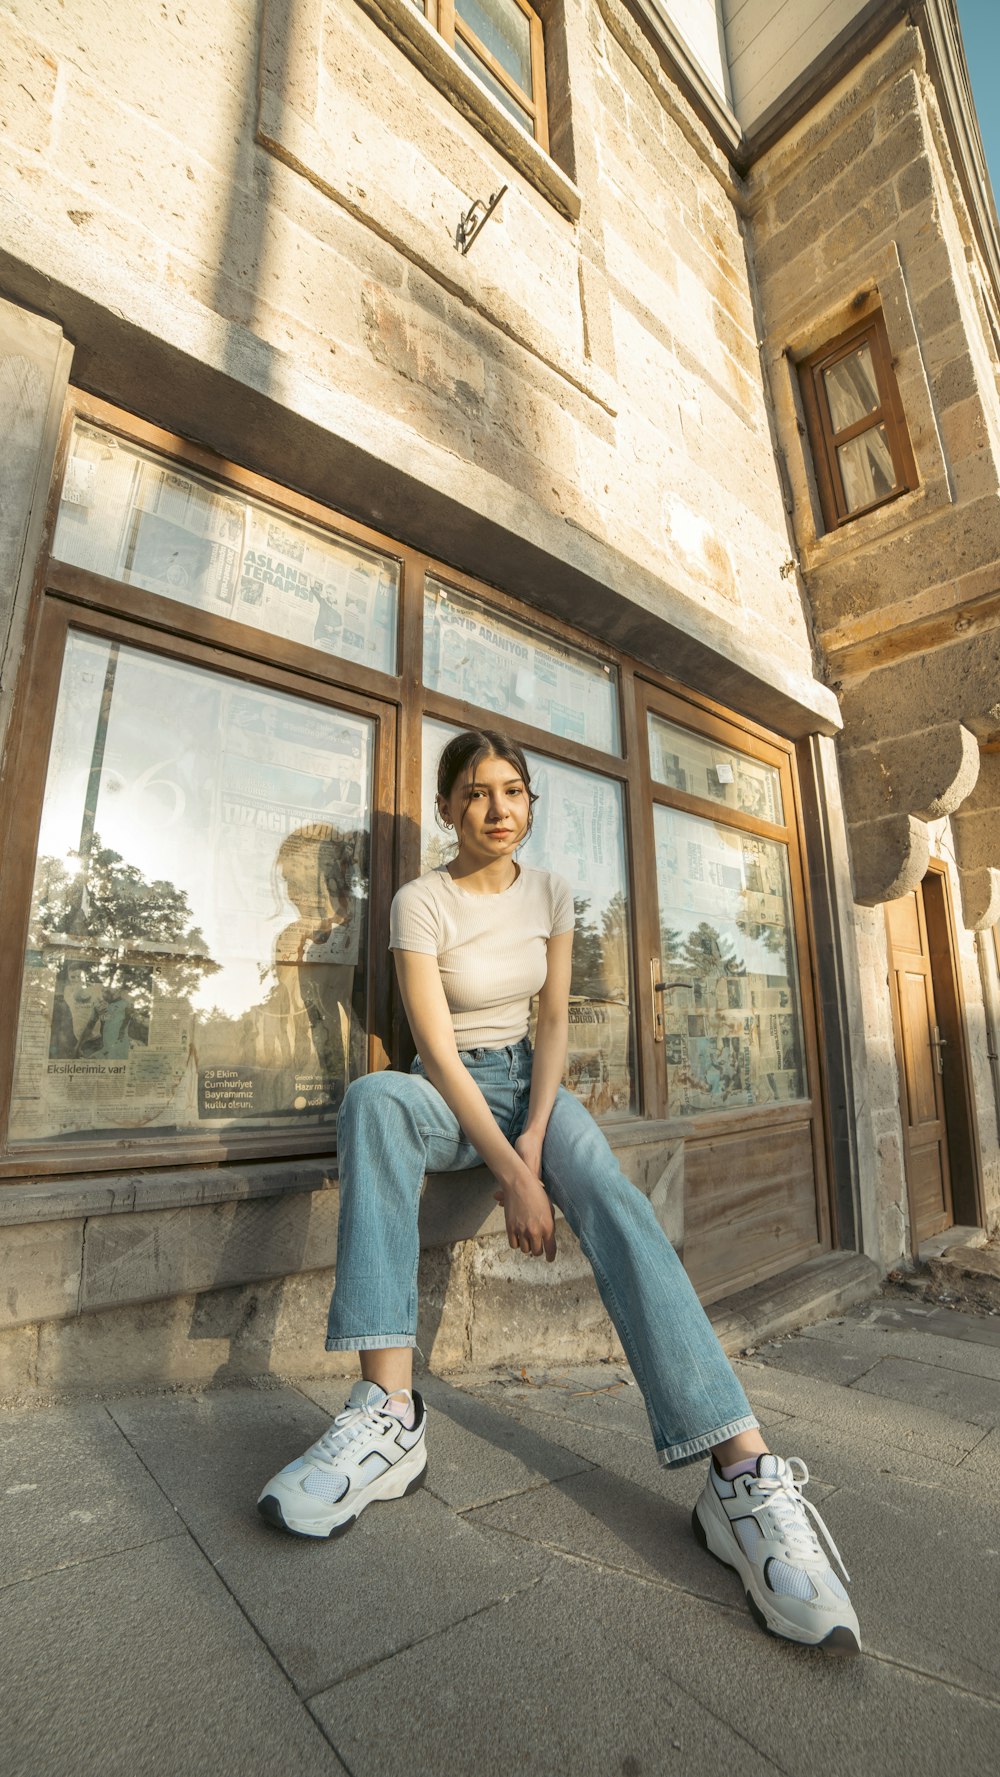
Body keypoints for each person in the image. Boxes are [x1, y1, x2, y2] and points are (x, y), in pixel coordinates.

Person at [258, 729, 859, 1652]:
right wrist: (507, 1169)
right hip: (449, 1092)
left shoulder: (552, 893)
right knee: (376, 1098)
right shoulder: (419, 902)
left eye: (514, 790)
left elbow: (551, 1025)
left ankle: (741, 1473)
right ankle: (389, 1412)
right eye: (477, 793)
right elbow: (437, 1045)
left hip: (534, 1091)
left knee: (615, 1197)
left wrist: (536, 1142)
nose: (499, 807)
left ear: (530, 804)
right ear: (450, 809)